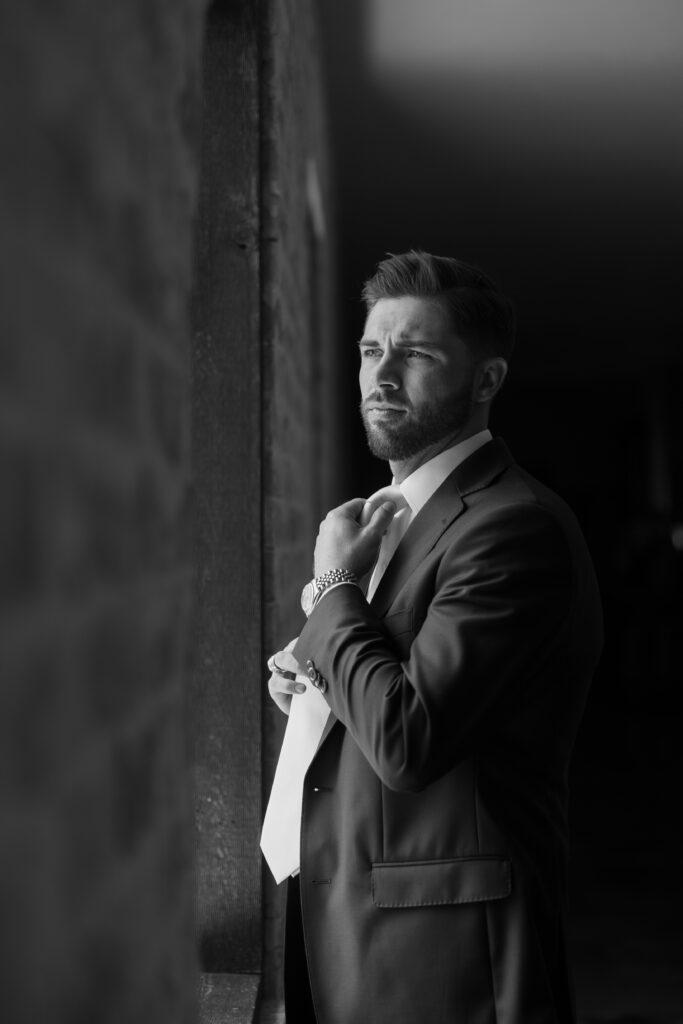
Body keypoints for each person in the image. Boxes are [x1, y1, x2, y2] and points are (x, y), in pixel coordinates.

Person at [264, 250, 603, 1024]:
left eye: (414, 354)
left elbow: (409, 738)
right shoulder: (394, 516)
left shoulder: (510, 527)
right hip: (351, 912)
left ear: (486, 381)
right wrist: (313, 672)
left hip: (444, 953)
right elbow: (386, 682)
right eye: (370, 350)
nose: (381, 376)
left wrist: (330, 593)